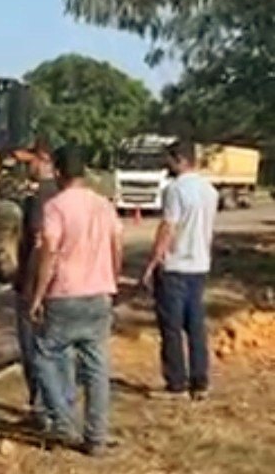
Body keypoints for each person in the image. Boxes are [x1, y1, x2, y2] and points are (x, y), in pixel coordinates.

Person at [29, 145, 124, 456]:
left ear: (58, 172)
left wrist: (38, 295)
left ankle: (62, 421)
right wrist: (113, 280)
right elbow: (117, 246)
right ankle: (96, 437)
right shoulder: (104, 205)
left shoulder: (55, 207)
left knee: (44, 355)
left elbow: (50, 253)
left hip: (65, 295)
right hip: (99, 294)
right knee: (97, 368)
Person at [141, 138, 218, 401]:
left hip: (175, 265)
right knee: (195, 326)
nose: (167, 166)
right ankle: (200, 381)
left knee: (171, 327)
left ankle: (176, 383)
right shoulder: (210, 190)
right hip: (199, 264)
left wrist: (153, 261)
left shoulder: (175, 190)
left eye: (170, 161)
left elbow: (168, 227)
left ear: (180, 160)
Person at [14, 143, 62, 429]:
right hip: (60, 284)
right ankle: (55, 407)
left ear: (43, 160)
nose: (27, 166)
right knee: (54, 349)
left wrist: (30, 288)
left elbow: (39, 245)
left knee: (34, 348)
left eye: (29, 160)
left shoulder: (40, 199)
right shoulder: (61, 194)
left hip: (35, 284)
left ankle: (42, 409)